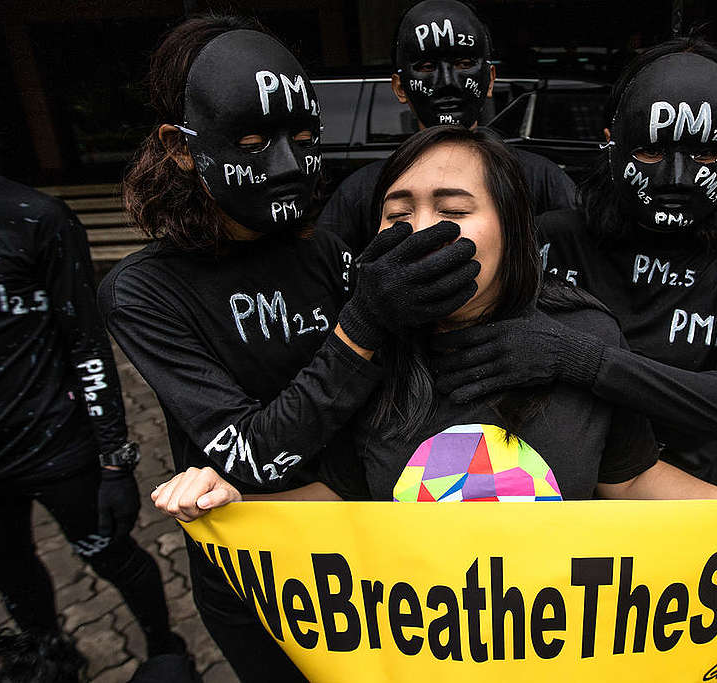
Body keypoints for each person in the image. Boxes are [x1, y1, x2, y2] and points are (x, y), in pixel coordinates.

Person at [153, 125, 717, 520]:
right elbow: (339, 491)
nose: (422, 231)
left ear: (512, 233)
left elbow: (634, 481)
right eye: (399, 215)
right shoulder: (361, 347)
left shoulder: (586, 334)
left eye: (453, 210)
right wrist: (233, 499)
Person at [429, 39, 717, 682]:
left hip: (680, 527)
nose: (676, 176)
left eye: (702, 154)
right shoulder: (553, 237)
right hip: (544, 535)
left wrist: (580, 360)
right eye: (650, 150)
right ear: (610, 141)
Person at [97, 16, 478, 682]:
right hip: (263, 576)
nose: (282, 163)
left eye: (300, 139)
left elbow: (393, 394)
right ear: (181, 148)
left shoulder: (324, 251)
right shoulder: (143, 292)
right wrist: (362, 324)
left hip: (366, 543)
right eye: (249, 140)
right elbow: (253, 450)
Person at [0, 31, 189, 670]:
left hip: (58, 450)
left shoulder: (34, 219)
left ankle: (165, 648)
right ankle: (50, 656)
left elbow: (87, 345)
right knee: (7, 571)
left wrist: (116, 460)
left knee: (112, 556)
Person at [317, 0, 576, 254]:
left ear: (489, 81)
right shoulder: (361, 192)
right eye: (427, 67)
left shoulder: (542, 180)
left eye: (464, 64)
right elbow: (326, 271)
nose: (447, 83)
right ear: (399, 87)